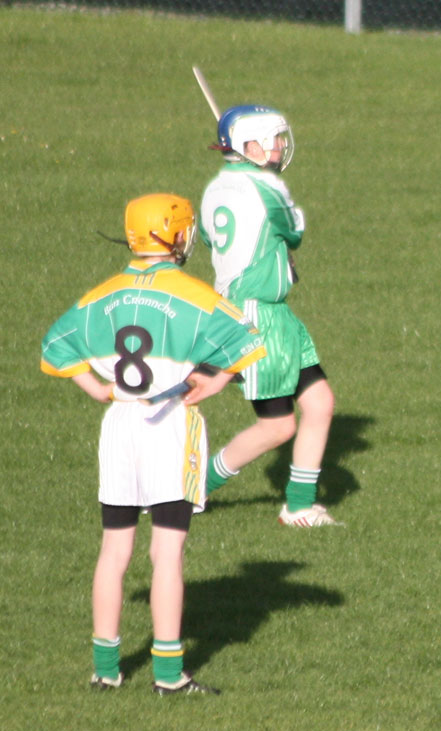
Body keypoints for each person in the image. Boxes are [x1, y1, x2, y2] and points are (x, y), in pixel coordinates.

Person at [41, 193, 266, 694]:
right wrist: (215, 378)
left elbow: (54, 346)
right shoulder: (193, 293)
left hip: (119, 424)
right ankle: (168, 675)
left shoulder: (99, 295)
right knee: (168, 552)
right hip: (170, 424)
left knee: (113, 550)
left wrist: (97, 388)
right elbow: (250, 339)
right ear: (174, 235)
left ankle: (105, 670)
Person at [199, 105, 337, 528]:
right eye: (274, 138)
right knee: (276, 427)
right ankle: (189, 488)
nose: (281, 145)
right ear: (252, 146)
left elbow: (211, 237)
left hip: (267, 312)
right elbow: (294, 228)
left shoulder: (215, 189)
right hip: (259, 317)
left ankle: (298, 505)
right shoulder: (266, 187)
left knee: (320, 401)